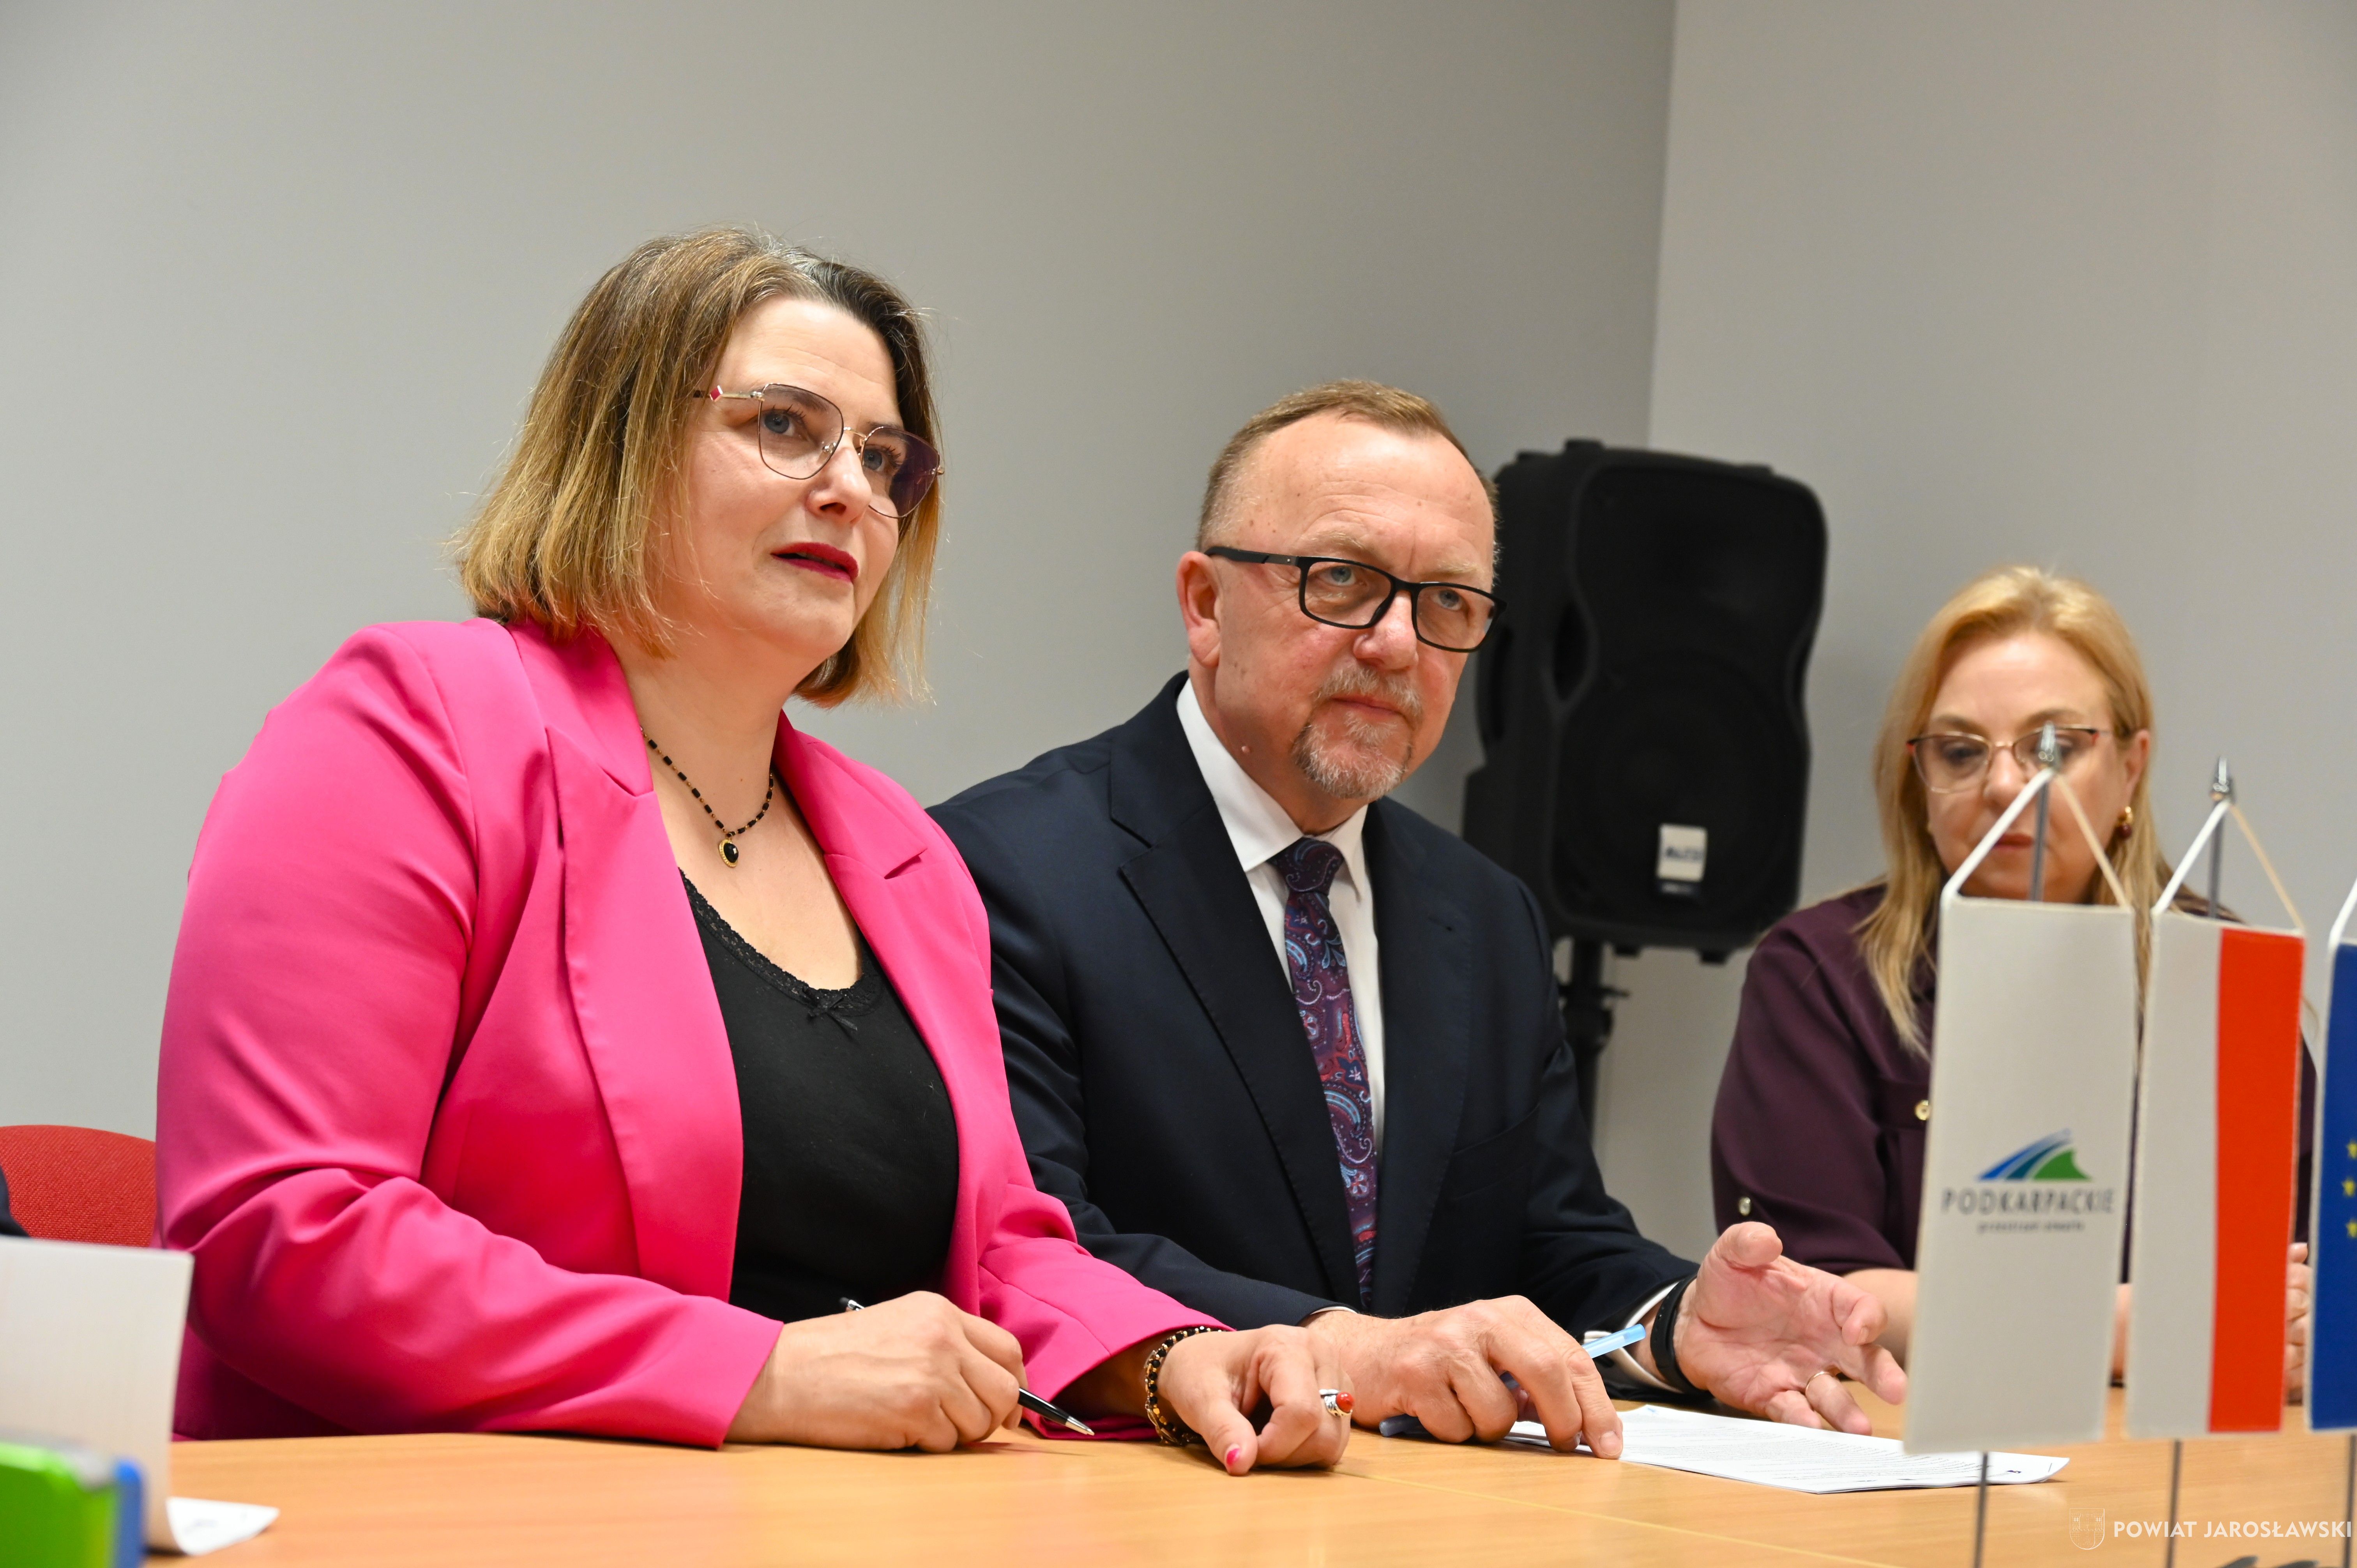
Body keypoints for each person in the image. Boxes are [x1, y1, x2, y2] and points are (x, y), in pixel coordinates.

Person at [155, 229, 1347, 1473]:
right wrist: (757, 1371)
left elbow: (996, 1253)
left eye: (883, 458)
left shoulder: (904, 852)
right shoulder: (410, 733)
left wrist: (1165, 1355)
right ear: (620, 442)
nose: (850, 492)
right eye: (785, 425)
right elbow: (283, 1227)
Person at [933, 381, 1906, 1453]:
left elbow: (1551, 1244)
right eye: (1343, 580)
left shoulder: (1485, 916)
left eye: (1447, 602)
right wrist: (1346, 1350)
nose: (1398, 644)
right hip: (1142, 1491)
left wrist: (1677, 1330)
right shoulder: (997, 871)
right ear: (1206, 605)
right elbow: (1029, 1254)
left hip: (1426, 1511)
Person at [1710, 565, 2313, 1382]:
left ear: (2132, 766)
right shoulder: (1820, 973)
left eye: (2054, 748)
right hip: (1906, 1437)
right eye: (1961, 751)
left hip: (2183, 1441)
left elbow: (2288, 1285)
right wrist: (2133, 1328)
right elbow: (1815, 1291)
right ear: (1917, 779)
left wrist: (2271, 1324)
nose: (2002, 784)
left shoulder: (2224, 976)